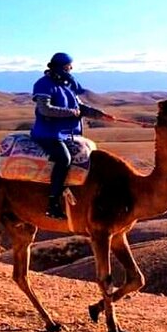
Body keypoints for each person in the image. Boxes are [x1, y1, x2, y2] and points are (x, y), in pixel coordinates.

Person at [30, 53, 114, 219]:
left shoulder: (67, 84)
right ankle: (53, 203)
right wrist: (71, 113)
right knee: (64, 159)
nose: (71, 69)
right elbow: (44, 109)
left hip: (67, 134)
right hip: (48, 133)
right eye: (69, 66)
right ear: (61, 67)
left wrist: (100, 115)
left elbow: (80, 107)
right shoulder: (43, 85)